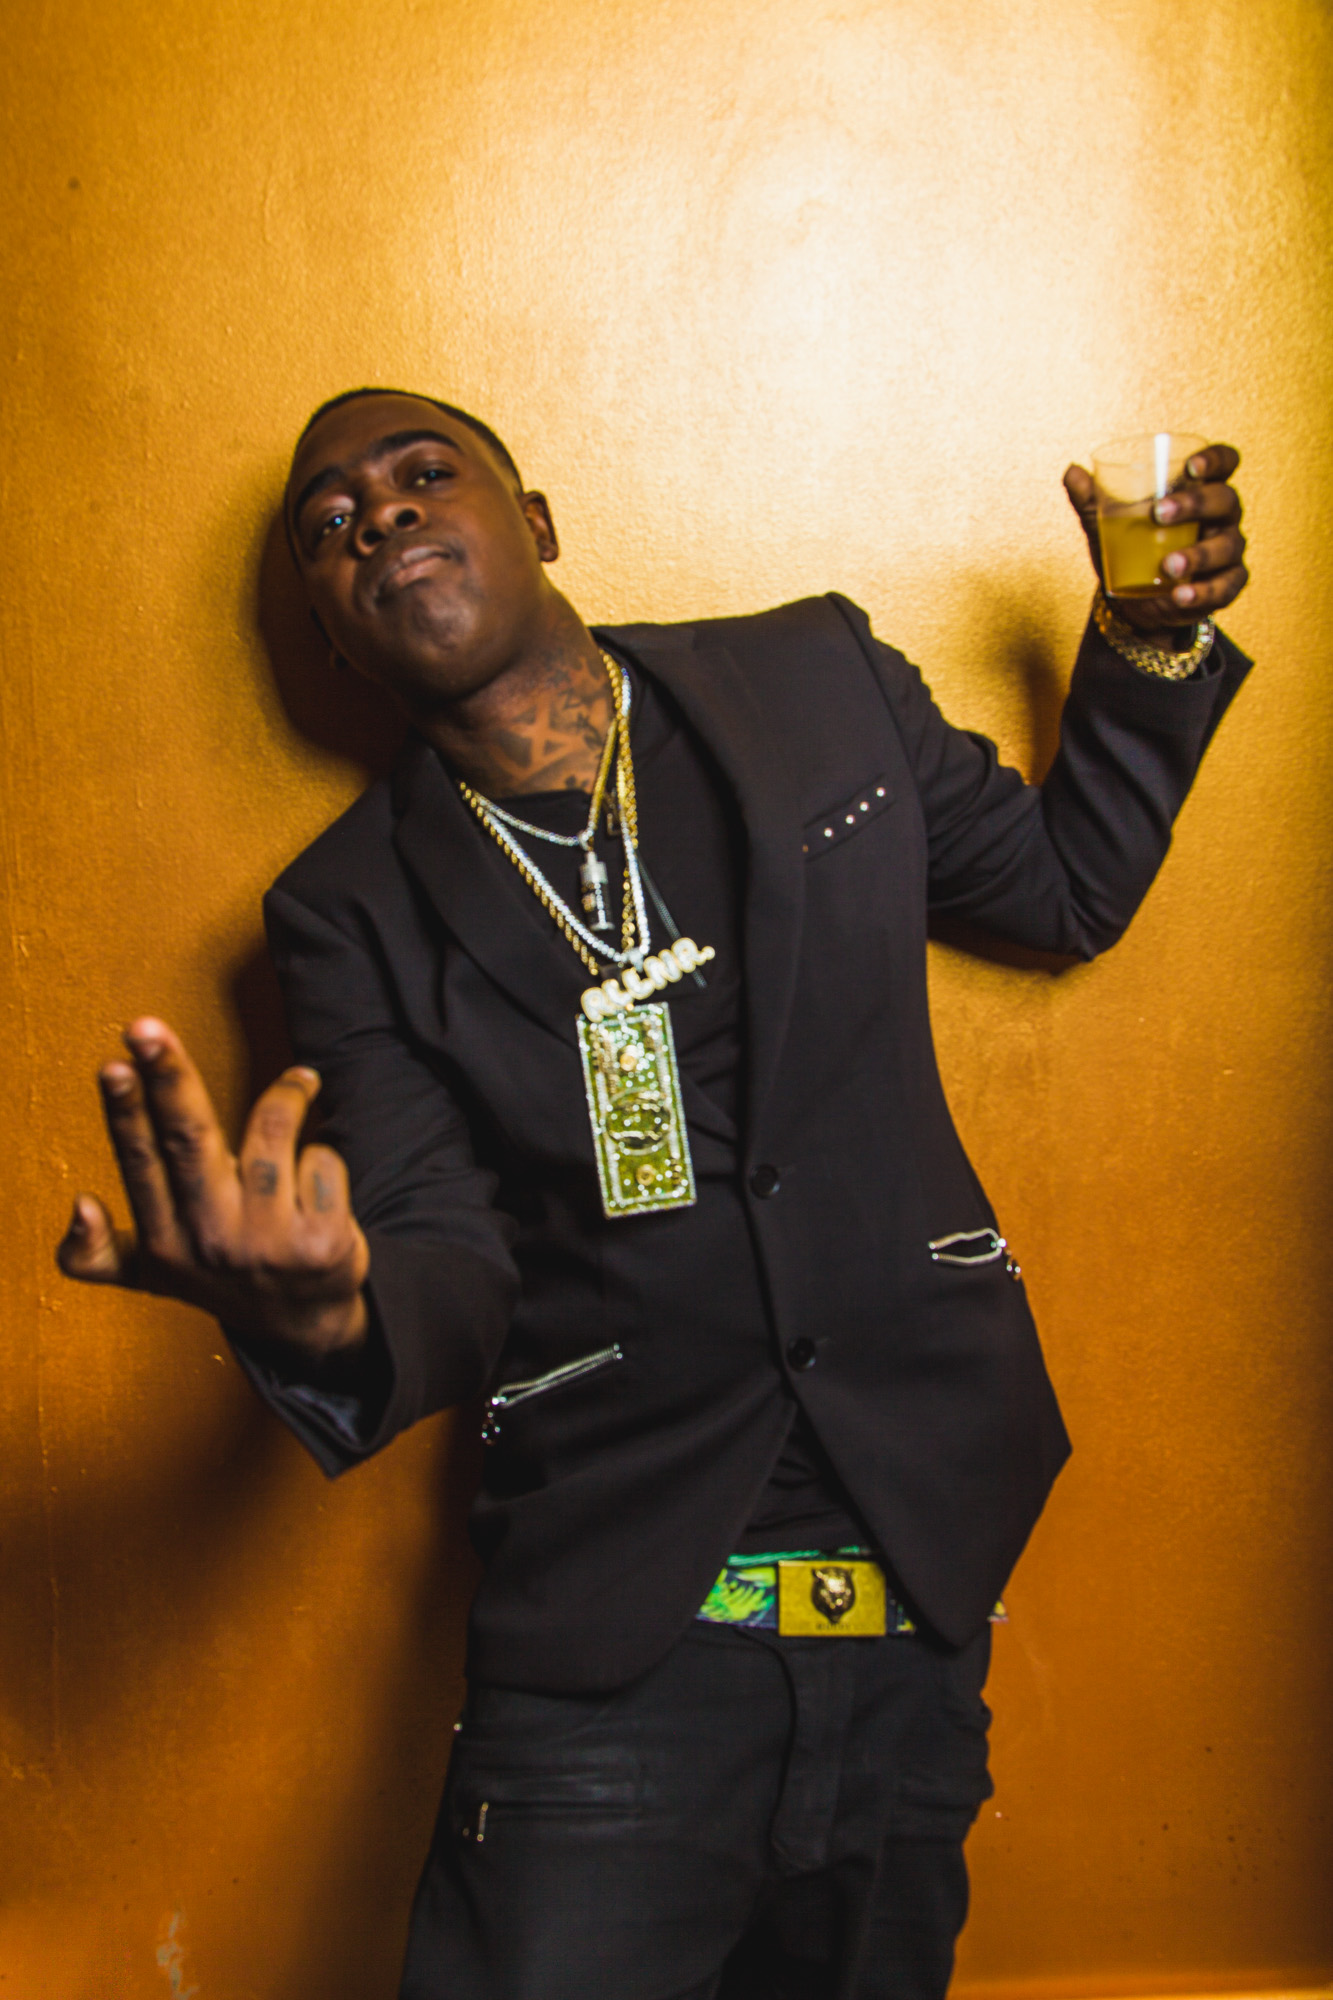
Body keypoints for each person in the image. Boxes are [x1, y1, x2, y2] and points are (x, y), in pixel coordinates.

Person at [58, 389, 1250, 2000]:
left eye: (421, 475)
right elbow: (447, 1256)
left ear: (537, 520)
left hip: (912, 1614)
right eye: (327, 528)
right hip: (612, 1656)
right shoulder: (345, 910)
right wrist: (328, 1317)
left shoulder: (815, 681)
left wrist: (1147, 643)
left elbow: (1059, 889)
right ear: (326, 635)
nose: (379, 517)